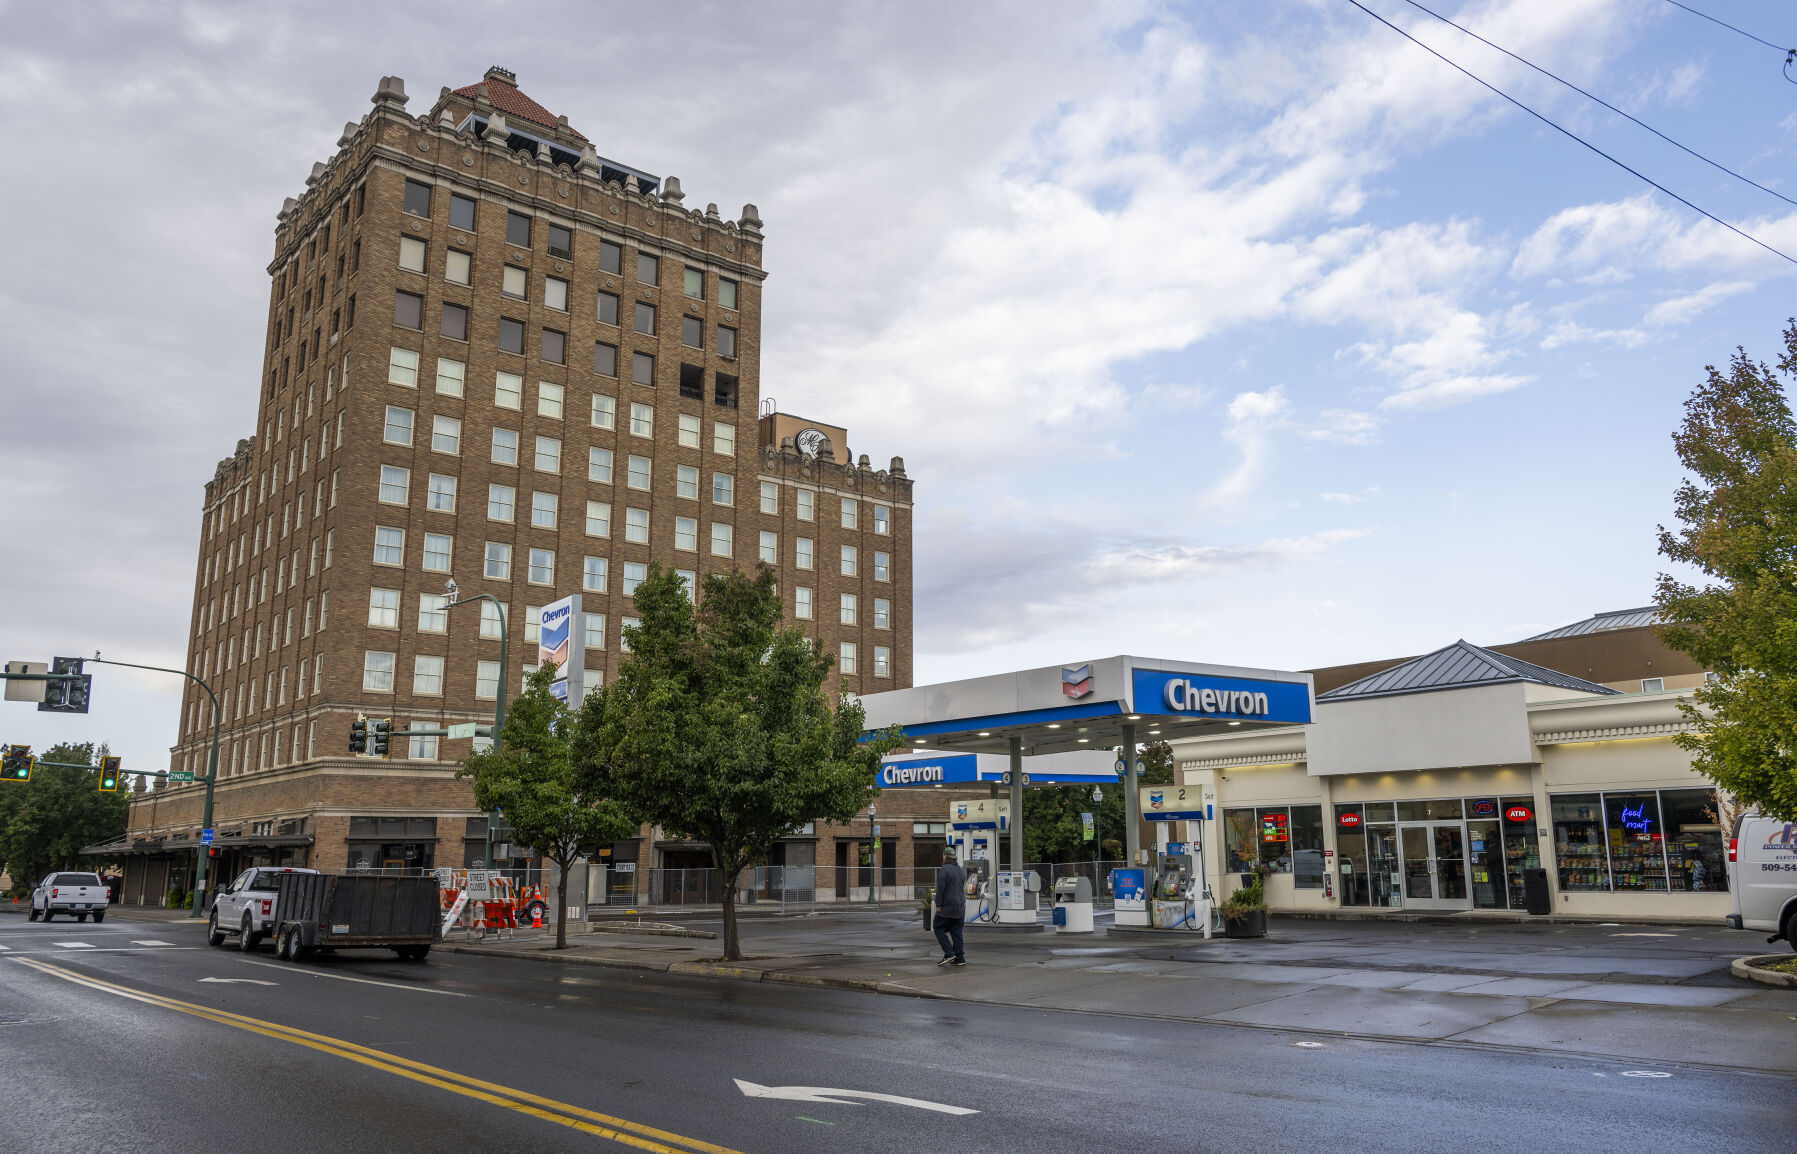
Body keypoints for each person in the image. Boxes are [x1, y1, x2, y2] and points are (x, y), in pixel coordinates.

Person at [933, 847, 968, 967]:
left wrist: (938, 904)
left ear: (945, 856)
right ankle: (960, 958)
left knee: (938, 927)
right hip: (960, 906)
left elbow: (940, 889)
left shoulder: (944, 870)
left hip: (948, 907)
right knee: (956, 931)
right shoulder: (960, 869)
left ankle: (949, 953)